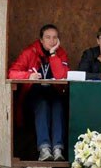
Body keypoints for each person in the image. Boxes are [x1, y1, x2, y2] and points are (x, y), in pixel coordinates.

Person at [8, 24, 69, 162]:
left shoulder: (60, 53)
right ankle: (44, 149)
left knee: (58, 105)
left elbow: (61, 76)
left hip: (54, 94)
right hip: (33, 97)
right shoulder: (30, 52)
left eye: (55, 38)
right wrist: (28, 76)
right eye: (48, 37)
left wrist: (53, 54)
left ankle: (58, 149)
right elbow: (12, 72)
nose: (52, 41)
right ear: (41, 40)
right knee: (42, 104)